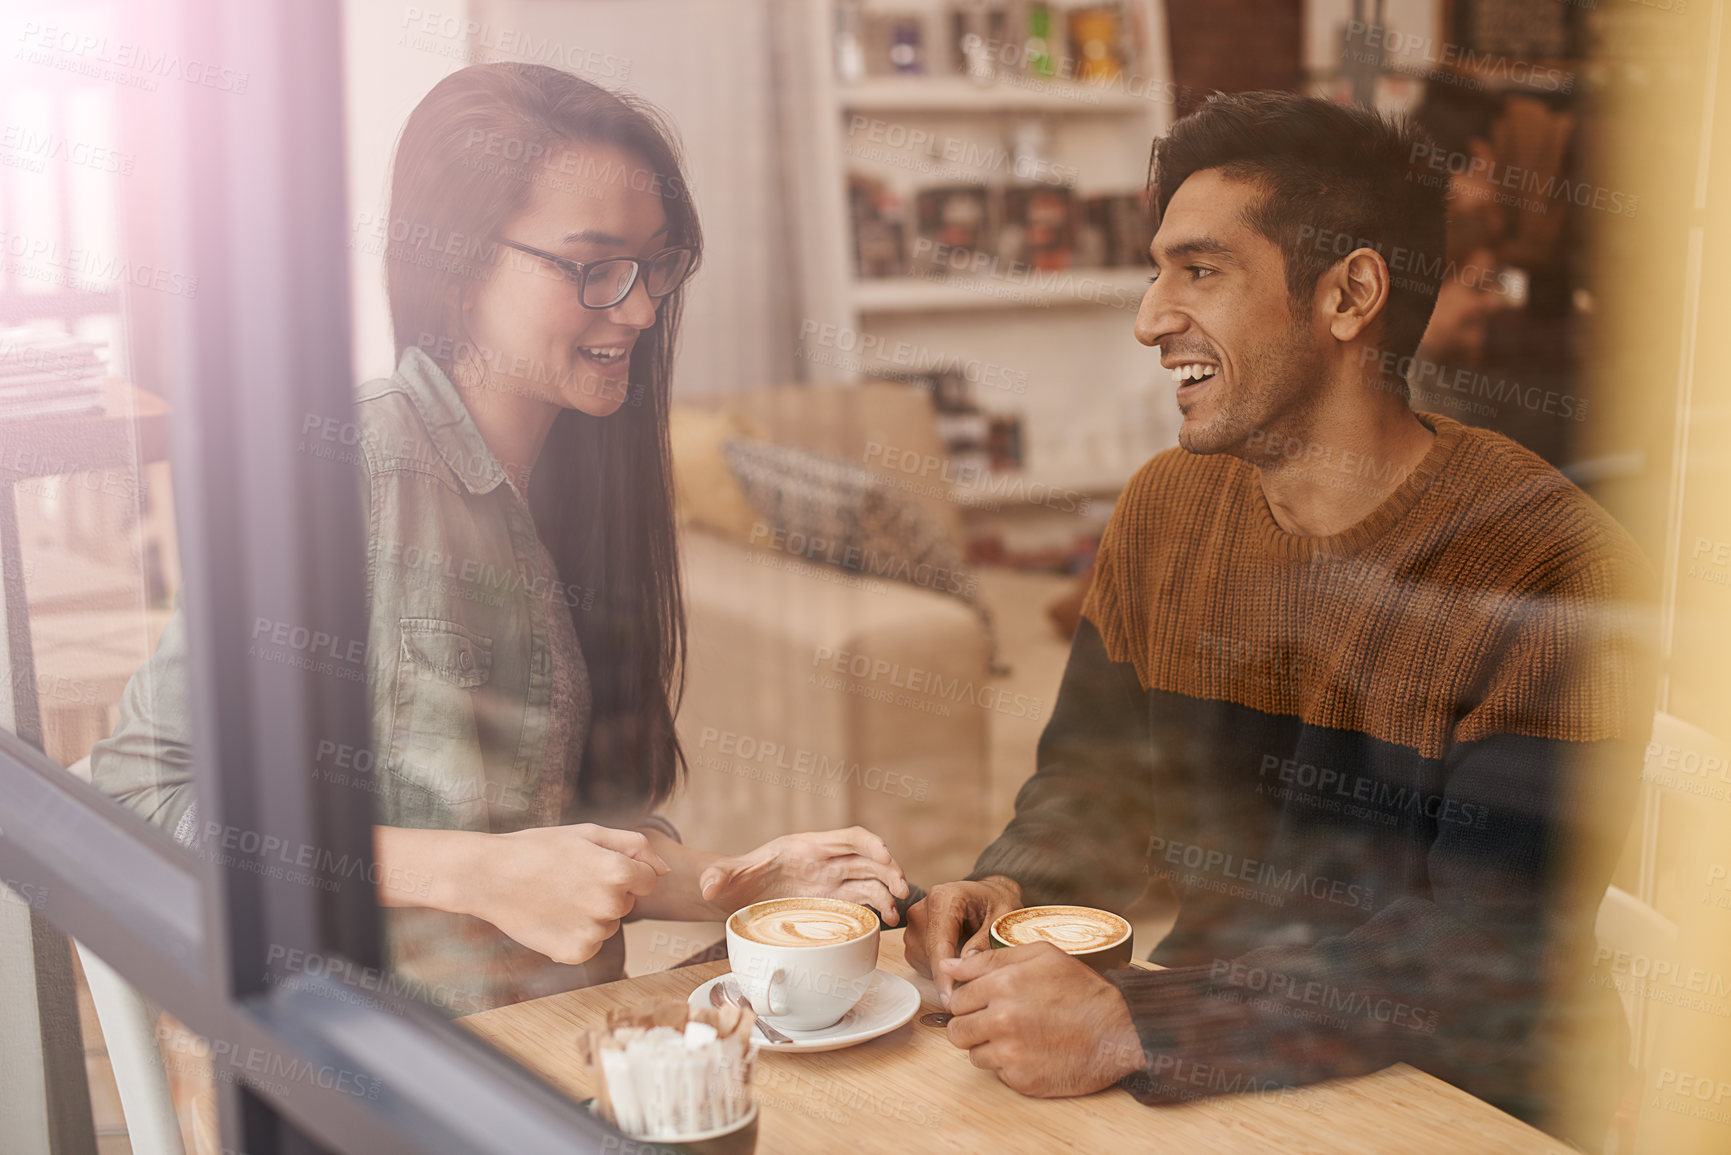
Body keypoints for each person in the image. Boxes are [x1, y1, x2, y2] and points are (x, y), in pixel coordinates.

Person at [905, 91, 1652, 1148]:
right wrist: (1011, 884)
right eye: (1158, 269)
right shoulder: (1166, 510)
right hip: (1224, 1065)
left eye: (1199, 270)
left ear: (1350, 295)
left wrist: (1140, 1025)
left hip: (1465, 1103)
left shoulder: (1550, 564)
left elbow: (1487, 944)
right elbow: (1096, 784)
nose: (1151, 316)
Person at [92, 62, 908, 1013]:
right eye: (593, 265)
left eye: (655, 263)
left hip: (556, 1039)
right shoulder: (343, 464)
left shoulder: (592, 488)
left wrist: (744, 882)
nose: (641, 306)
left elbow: (569, 852)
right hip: (374, 1059)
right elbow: (133, 803)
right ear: (460, 267)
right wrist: (470, 873)